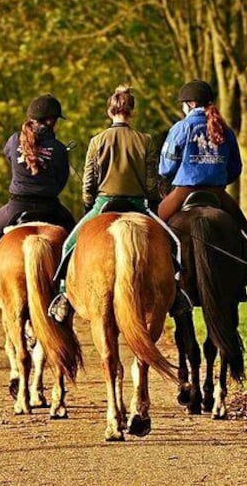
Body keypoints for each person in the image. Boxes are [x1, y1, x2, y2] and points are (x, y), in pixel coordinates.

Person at [48, 85, 188, 321]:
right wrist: (152, 204)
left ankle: (63, 295)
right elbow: (151, 180)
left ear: (110, 111)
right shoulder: (145, 140)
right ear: (131, 112)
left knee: (68, 246)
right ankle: (177, 293)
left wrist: (88, 204)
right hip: (137, 204)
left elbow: (89, 179)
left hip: (104, 203)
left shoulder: (97, 140)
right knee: (173, 244)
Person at [158, 79, 247, 298]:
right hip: (217, 191)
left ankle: (161, 279)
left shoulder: (181, 127)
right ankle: (243, 278)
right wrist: (218, 178)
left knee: (156, 225)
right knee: (242, 228)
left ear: (190, 104)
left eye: (183, 103)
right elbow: (235, 167)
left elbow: (166, 166)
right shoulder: (225, 130)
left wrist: (177, 178)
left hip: (185, 190)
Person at [0, 94, 76, 301]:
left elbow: (9, 155)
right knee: (75, 236)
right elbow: (61, 181)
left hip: (16, 206)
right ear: (51, 120)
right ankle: (68, 285)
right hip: (50, 208)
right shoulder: (58, 148)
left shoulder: (14, 140)